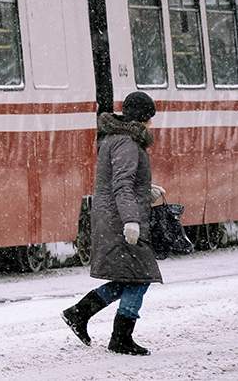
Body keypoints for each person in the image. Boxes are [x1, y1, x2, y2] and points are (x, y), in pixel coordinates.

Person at [61, 91, 162, 356]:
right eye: (150, 117)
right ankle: (120, 337)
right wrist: (131, 220)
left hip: (113, 216)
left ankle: (79, 313)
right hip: (121, 220)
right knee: (141, 277)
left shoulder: (115, 138)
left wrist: (146, 189)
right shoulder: (127, 142)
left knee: (127, 278)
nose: (152, 123)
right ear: (143, 118)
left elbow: (120, 180)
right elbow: (121, 184)